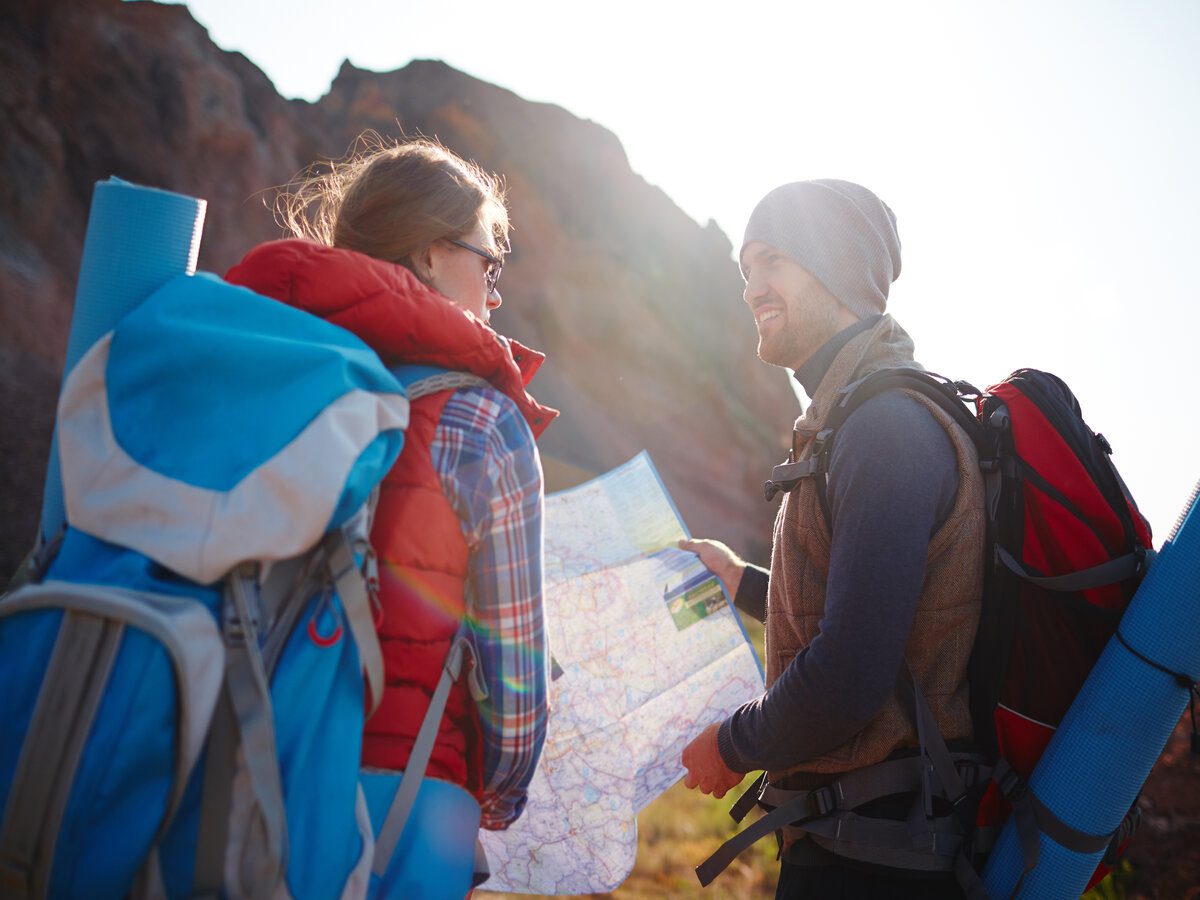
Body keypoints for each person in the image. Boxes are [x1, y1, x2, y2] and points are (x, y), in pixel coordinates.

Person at [225, 135, 557, 899]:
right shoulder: (478, 420)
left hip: (228, 770)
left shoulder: (259, 365)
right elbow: (515, 687)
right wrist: (496, 796)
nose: (495, 293)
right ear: (434, 254)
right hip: (402, 805)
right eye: (490, 261)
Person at [679, 180, 985, 899]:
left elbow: (851, 673)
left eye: (774, 260)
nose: (753, 287)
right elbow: (864, 609)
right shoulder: (856, 418)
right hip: (863, 842)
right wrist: (739, 580)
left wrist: (732, 746)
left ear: (838, 267)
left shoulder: (884, 428)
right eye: (746, 269)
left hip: (876, 862)